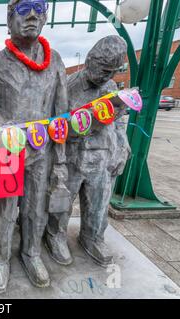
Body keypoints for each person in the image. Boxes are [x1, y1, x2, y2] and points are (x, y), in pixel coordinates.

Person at [0, 0, 69, 293]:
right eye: (23, 8)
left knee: (36, 207)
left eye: (39, 7)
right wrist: (0, 129)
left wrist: (61, 160)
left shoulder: (54, 62)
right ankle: (0, 258)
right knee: (3, 209)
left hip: (42, 152)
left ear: (45, 17)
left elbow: (62, 115)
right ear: (9, 18)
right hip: (6, 151)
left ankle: (31, 253)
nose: (32, 15)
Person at [45, 35, 130, 267]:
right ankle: (55, 236)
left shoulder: (111, 87)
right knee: (62, 202)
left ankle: (93, 237)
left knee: (99, 203)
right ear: (90, 60)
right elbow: (55, 124)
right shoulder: (68, 86)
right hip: (73, 155)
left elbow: (120, 121)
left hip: (101, 155)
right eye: (104, 70)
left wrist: (122, 146)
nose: (107, 76)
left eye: (113, 71)